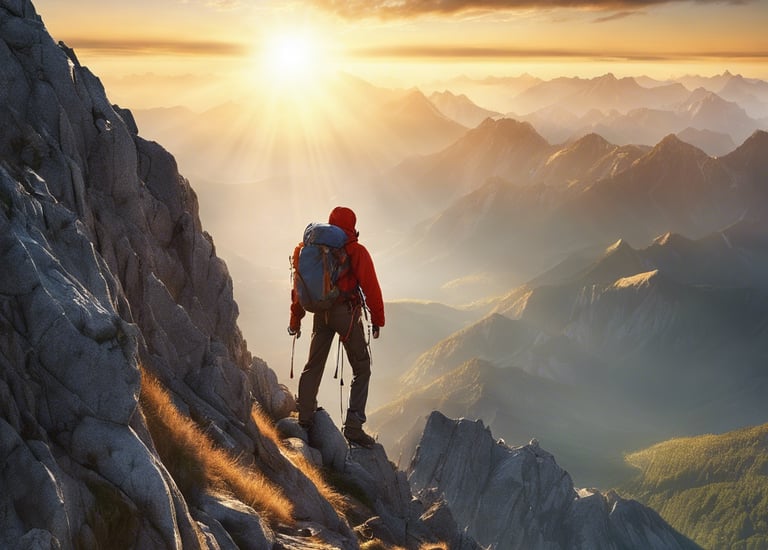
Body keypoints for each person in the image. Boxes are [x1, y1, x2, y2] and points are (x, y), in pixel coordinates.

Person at [288, 206, 385, 448]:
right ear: (352, 226)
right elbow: (371, 287)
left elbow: (299, 289)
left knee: (314, 364)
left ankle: (305, 420)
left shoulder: (308, 249)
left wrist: (295, 319)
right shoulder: (355, 250)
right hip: (346, 313)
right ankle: (353, 428)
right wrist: (377, 320)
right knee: (361, 368)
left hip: (320, 312)